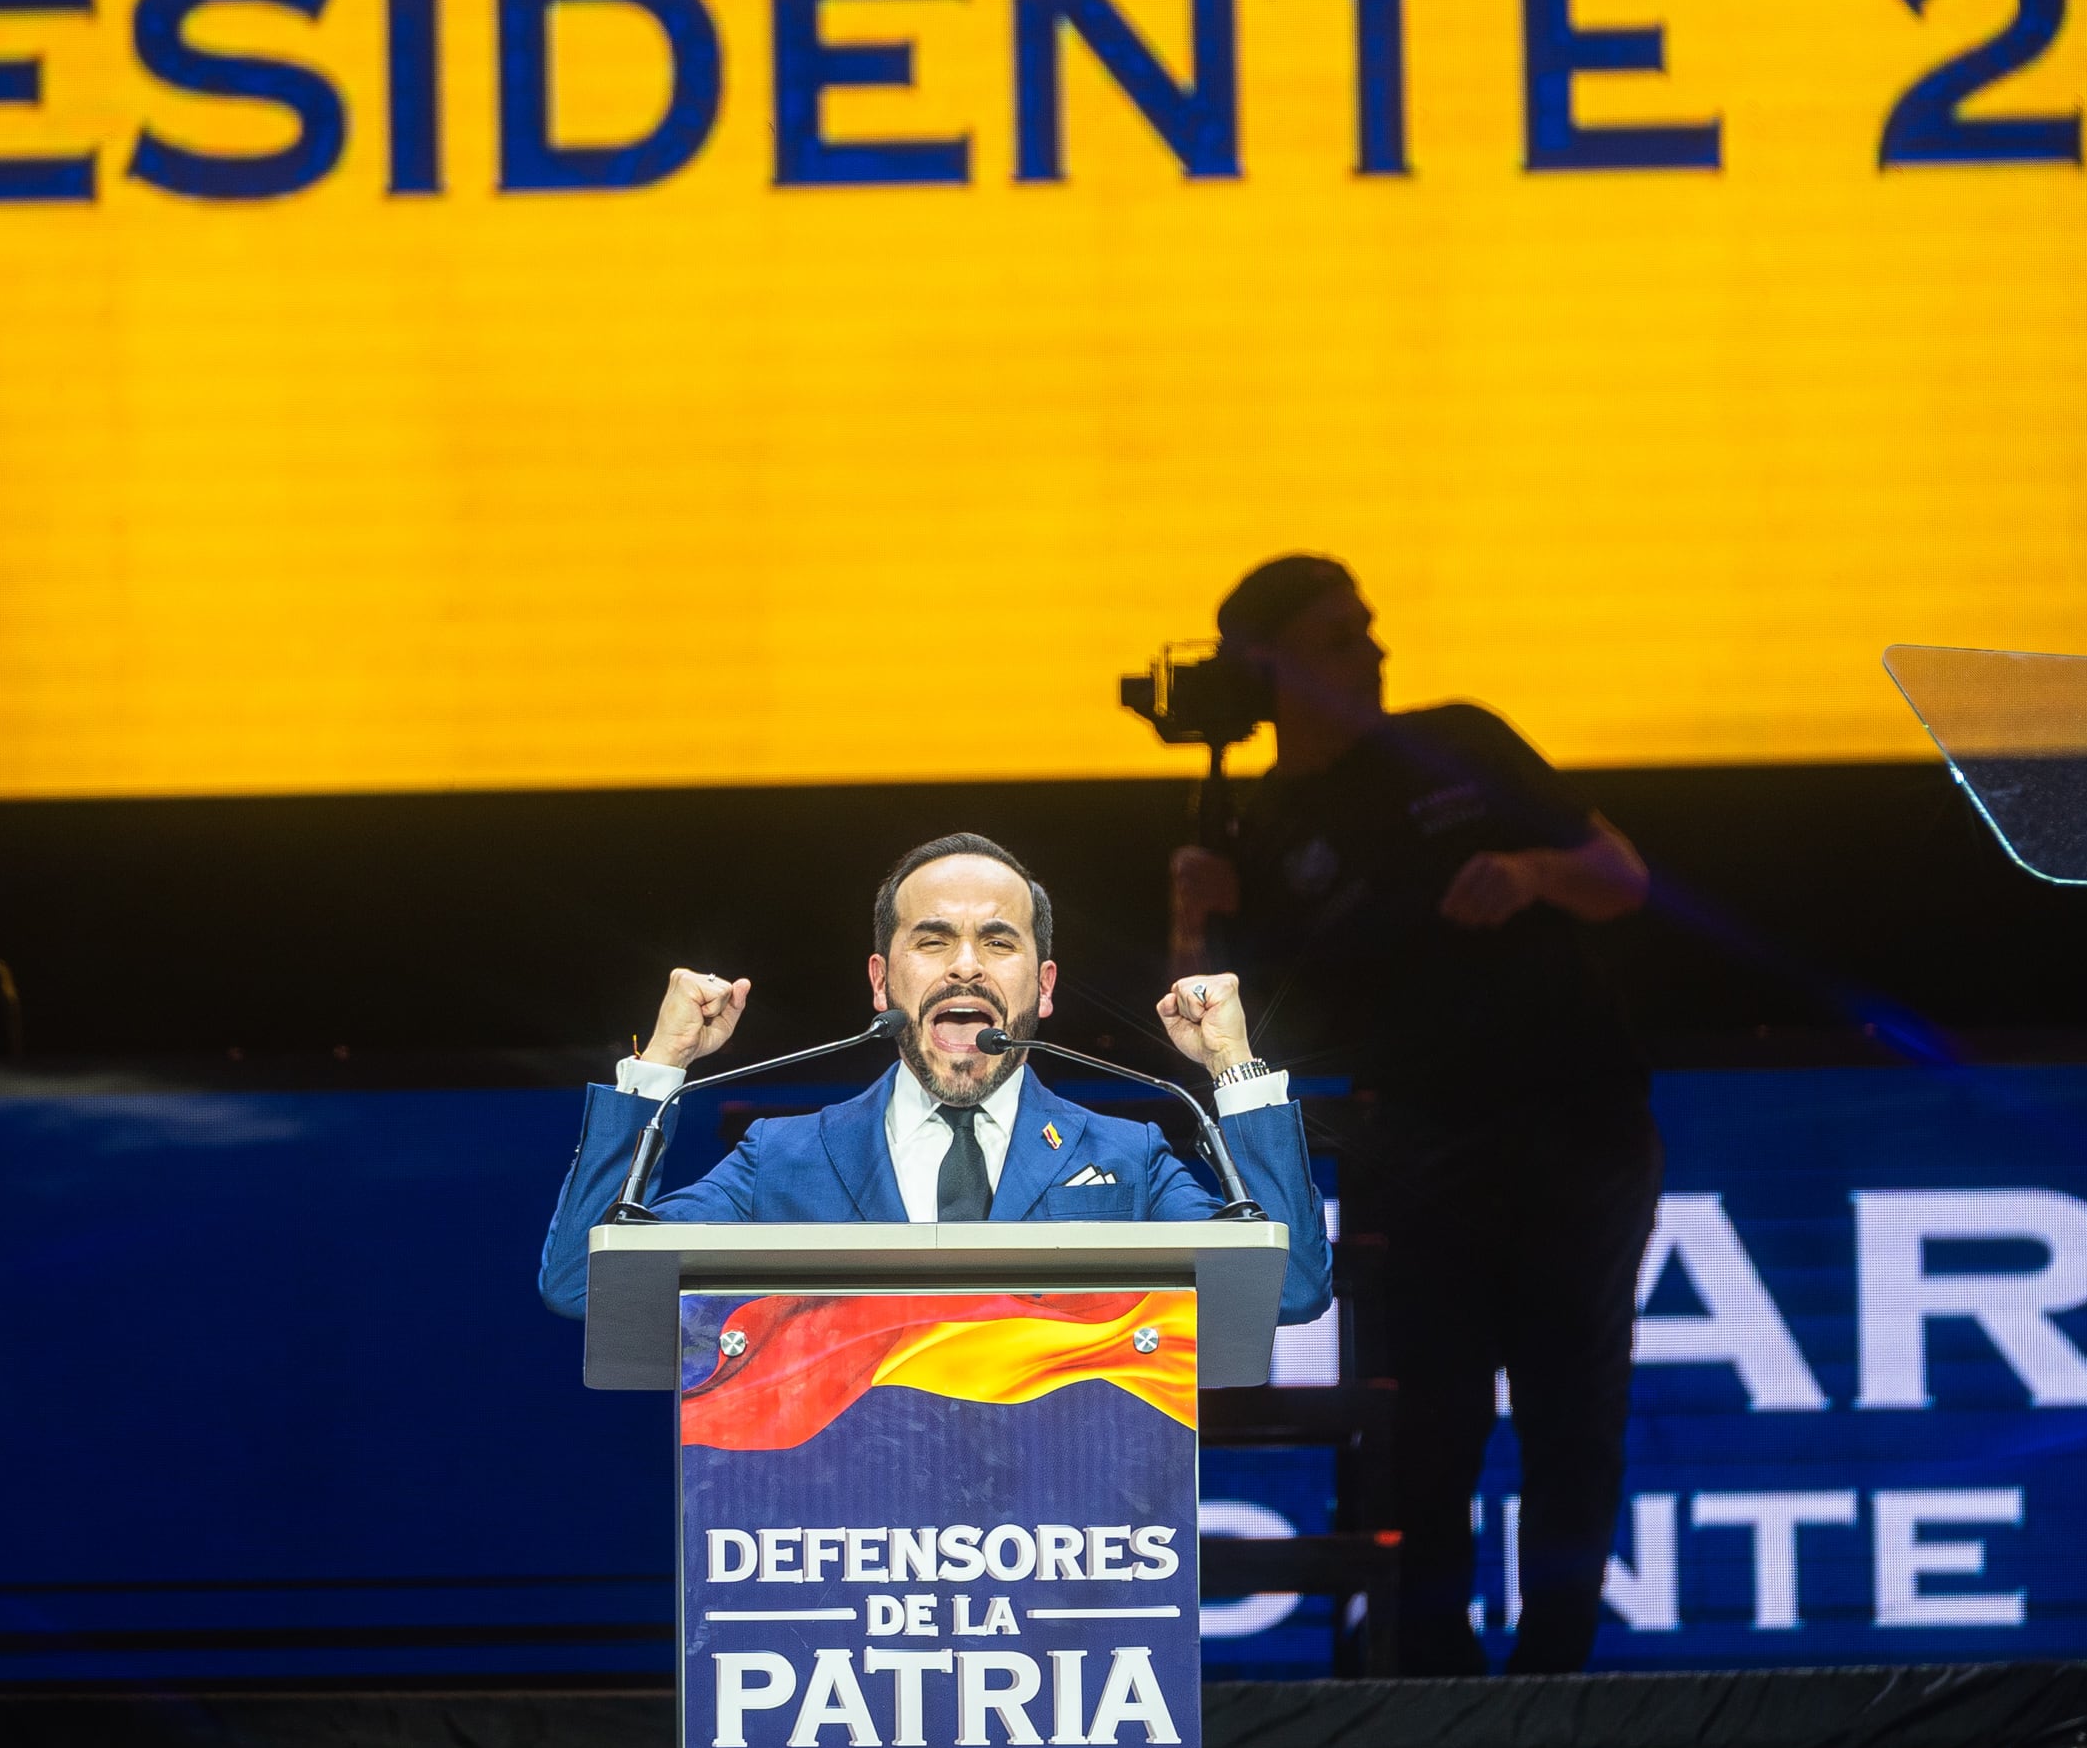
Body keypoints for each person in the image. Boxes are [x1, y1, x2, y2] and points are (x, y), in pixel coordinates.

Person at [1167, 557, 1656, 1675]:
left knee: (1571, 1413)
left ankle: (1556, 1684)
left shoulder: (1461, 744)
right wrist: (1192, 919)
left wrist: (1531, 872)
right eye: (1340, 639)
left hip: (1574, 1126)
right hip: (1413, 1148)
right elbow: (1217, 1032)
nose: (1374, 652)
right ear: (1267, 669)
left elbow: (1619, 875)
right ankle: (1430, 1682)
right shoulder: (1256, 831)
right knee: (1426, 1428)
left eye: (1369, 630)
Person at [537, 833, 1331, 1326]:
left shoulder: (1129, 1157)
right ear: (882, 983)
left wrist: (1235, 1071)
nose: (964, 963)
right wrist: (660, 1069)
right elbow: (582, 1283)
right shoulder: (782, 1160)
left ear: (1044, 987)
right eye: (933, 939)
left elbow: (1290, 1288)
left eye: (997, 940)